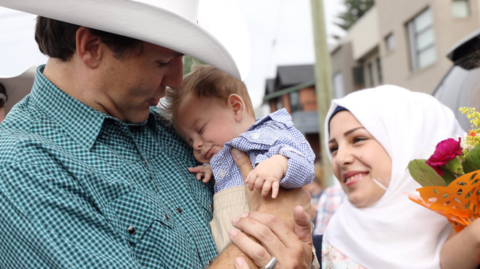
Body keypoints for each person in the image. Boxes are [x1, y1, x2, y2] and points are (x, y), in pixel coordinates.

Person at [0, 1, 315, 268]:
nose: (178, 80)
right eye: (162, 61)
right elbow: (274, 218)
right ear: (92, 49)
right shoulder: (20, 166)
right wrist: (269, 233)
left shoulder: (173, 130)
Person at [162, 64, 316, 253]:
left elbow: (305, 161)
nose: (196, 145)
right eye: (189, 140)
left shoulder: (268, 133)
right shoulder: (223, 158)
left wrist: (278, 164)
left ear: (236, 108)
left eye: (200, 129)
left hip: (280, 248)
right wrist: (214, 169)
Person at [322, 85, 464, 269]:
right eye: (334, 148)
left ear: (409, 142)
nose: (340, 159)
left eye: (357, 139)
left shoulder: (469, 225)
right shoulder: (325, 247)